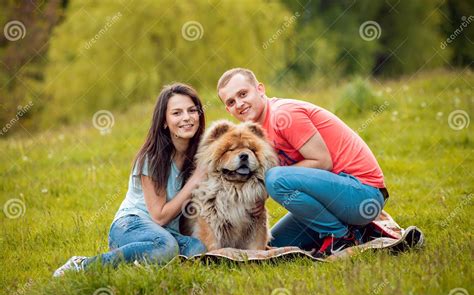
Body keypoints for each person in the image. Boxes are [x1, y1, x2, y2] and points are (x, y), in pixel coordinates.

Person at [217, 68, 389, 258]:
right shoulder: (258, 132)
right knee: (278, 244)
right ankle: (359, 231)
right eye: (231, 102)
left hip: (362, 194)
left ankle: (341, 237)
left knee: (274, 178)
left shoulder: (284, 115)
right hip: (334, 199)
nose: (239, 104)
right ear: (228, 109)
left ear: (260, 89)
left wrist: (268, 186)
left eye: (243, 94)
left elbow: (323, 162)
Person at [53, 83, 208, 277]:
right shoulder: (152, 158)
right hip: (131, 226)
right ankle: (83, 265)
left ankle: (145, 264)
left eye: (192, 110)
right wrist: (196, 179)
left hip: (166, 234)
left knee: (197, 249)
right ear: (164, 122)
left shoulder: (199, 155)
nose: (186, 117)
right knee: (166, 247)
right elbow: (159, 216)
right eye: (177, 113)